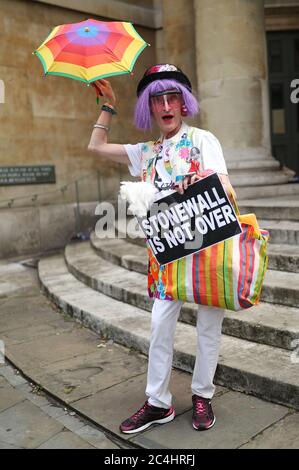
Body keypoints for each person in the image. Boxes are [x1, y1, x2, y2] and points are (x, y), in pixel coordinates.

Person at [88, 64, 236, 434]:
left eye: (173, 98)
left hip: (207, 249)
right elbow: (96, 146)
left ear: (184, 103)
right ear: (149, 108)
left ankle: (202, 395)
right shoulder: (146, 152)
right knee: (159, 326)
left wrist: (200, 176)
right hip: (166, 255)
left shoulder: (203, 140)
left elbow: (228, 190)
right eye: (158, 100)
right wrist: (108, 105)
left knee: (208, 327)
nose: (167, 105)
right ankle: (158, 403)